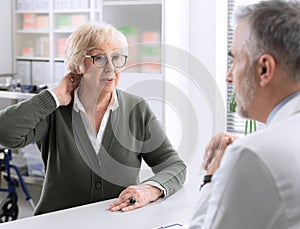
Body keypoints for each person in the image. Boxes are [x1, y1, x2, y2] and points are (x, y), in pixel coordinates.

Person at [0, 22, 186, 215]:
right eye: (99, 58)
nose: (111, 68)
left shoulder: (136, 108)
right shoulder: (54, 110)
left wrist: (151, 189)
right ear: (77, 64)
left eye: (117, 58)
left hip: (118, 223)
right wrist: (53, 96)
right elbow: (4, 133)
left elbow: (174, 165)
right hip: (59, 224)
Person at [189, 1, 300, 228]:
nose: (229, 76)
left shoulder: (251, 155)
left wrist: (213, 177)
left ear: (264, 69)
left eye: (235, 60)